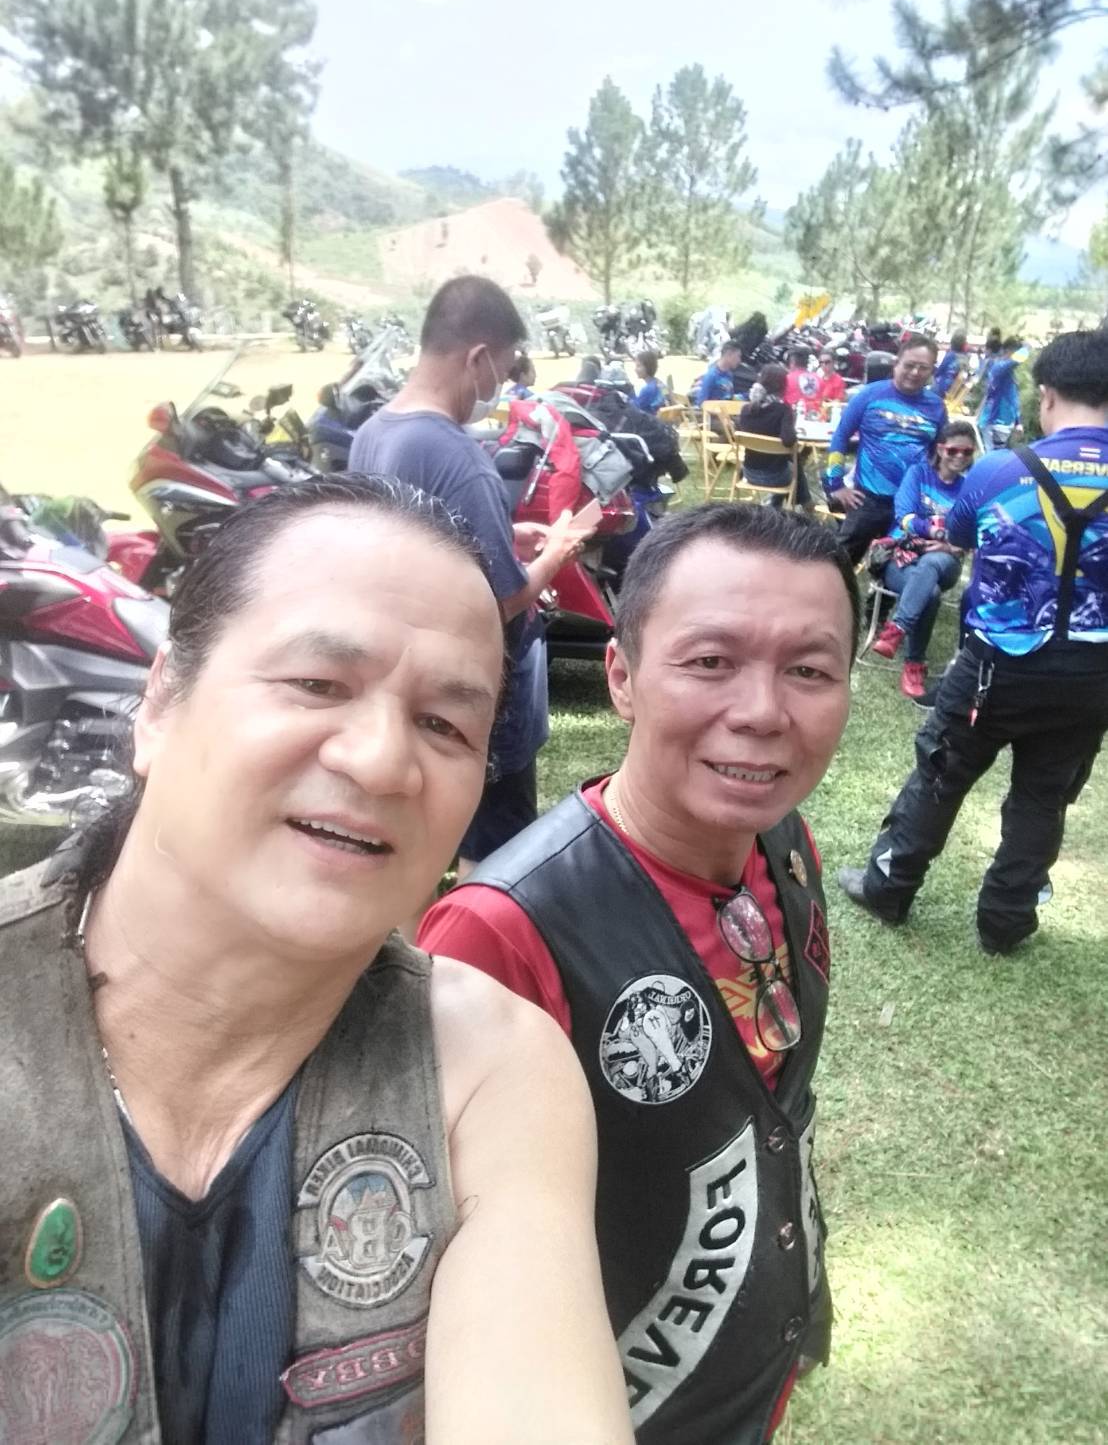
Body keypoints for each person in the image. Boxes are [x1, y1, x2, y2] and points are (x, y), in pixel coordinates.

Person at [0, 475, 633, 1445]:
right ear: (160, 701)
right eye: (316, 683)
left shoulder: (485, 1070)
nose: (381, 760)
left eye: (444, 724)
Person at [419, 504, 862, 1444]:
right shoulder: (501, 931)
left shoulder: (783, 843)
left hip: (746, 1357)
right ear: (621, 676)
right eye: (711, 661)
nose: (762, 711)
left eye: (809, 670)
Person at [839, 329, 1108, 954]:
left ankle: (889, 888)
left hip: (995, 667)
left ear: (1046, 395)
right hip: (1092, 674)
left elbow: (958, 536)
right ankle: (1005, 923)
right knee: (1044, 795)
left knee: (941, 772)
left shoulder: (998, 470)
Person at [349, 275, 593, 873]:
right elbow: (501, 600)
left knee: (420, 828)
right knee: (494, 848)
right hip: (480, 684)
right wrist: (556, 554)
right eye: (504, 371)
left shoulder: (374, 433)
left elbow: (420, 537)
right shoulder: (460, 459)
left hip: (408, 667)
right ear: (478, 358)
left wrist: (506, 534)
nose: (500, 386)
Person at [868, 419, 976, 698]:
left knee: (932, 563)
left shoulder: (969, 488)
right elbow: (904, 516)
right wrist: (939, 534)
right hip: (902, 556)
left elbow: (972, 535)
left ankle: (897, 629)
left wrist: (949, 546)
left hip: (946, 561)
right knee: (930, 593)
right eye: (953, 450)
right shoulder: (917, 474)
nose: (960, 457)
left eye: (967, 452)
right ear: (940, 449)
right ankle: (914, 663)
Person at [822, 334, 947, 563]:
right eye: (909, 365)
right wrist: (836, 485)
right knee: (841, 564)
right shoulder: (869, 395)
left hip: (910, 504)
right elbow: (840, 437)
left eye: (923, 368)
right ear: (896, 363)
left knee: (898, 566)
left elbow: (940, 454)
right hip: (867, 499)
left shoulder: (937, 407)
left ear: (932, 370)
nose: (915, 373)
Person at [737, 362, 813, 507]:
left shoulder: (746, 409)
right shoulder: (782, 410)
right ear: (781, 386)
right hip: (776, 476)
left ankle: (778, 505)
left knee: (793, 464)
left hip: (749, 473)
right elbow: (789, 441)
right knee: (795, 465)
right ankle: (804, 503)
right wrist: (791, 425)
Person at [978, 335, 1027, 449]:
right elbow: (1018, 359)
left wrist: (1018, 422)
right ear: (1008, 351)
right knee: (994, 456)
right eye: (1016, 352)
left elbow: (1013, 399)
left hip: (1004, 423)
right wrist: (1026, 348)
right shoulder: (1000, 368)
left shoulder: (1008, 373)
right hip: (996, 422)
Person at [694, 339, 743, 404]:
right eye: (738, 356)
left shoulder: (729, 375)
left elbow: (730, 398)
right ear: (729, 354)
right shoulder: (711, 376)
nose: (739, 360)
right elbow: (701, 403)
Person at [783, 347, 820, 415]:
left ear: (792, 362)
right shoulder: (818, 378)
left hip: (792, 416)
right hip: (815, 416)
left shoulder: (787, 379)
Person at [934, 331, 968, 398]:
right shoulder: (966, 357)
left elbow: (940, 370)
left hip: (945, 387)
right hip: (957, 389)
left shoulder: (950, 355)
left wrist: (935, 374)